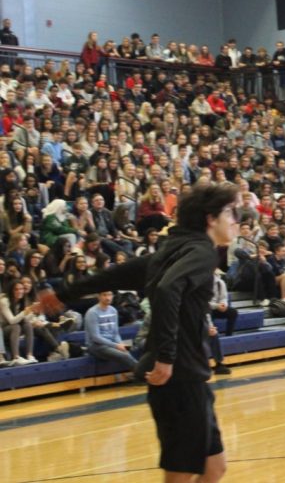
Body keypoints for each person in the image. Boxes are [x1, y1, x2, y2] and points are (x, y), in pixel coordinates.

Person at [55, 182, 239, 482]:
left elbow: (117, 274)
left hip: (191, 376)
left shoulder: (174, 248)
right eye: (230, 212)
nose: (236, 220)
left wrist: (63, 294)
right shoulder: (202, 251)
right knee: (179, 475)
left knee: (214, 467)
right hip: (177, 377)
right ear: (210, 218)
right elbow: (168, 289)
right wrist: (166, 357)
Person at [85, 290, 139, 370]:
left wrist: (120, 343)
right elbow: (95, 337)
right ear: (99, 297)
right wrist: (116, 345)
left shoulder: (113, 310)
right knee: (124, 355)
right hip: (96, 346)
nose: (108, 298)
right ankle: (143, 373)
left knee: (132, 348)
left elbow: (115, 333)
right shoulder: (92, 312)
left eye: (110, 295)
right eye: (104, 295)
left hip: (111, 343)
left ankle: (139, 372)